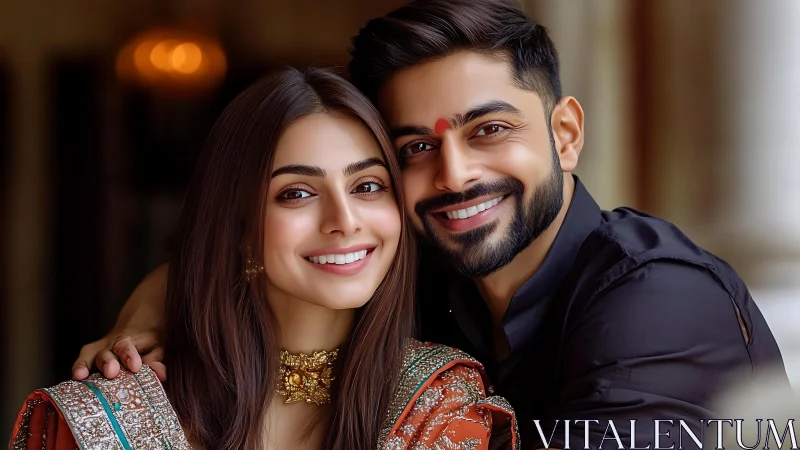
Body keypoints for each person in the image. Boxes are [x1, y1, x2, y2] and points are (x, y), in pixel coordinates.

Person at [68, 0, 790, 448]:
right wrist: (149, 317)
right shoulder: (431, 273)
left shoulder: (657, 302)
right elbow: (257, 258)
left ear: (565, 135)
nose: (454, 175)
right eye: (416, 148)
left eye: (489, 130)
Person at [9, 67, 518, 450]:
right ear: (239, 230)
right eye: (296, 193)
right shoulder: (110, 416)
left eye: (367, 186)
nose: (344, 220)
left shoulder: (440, 405)